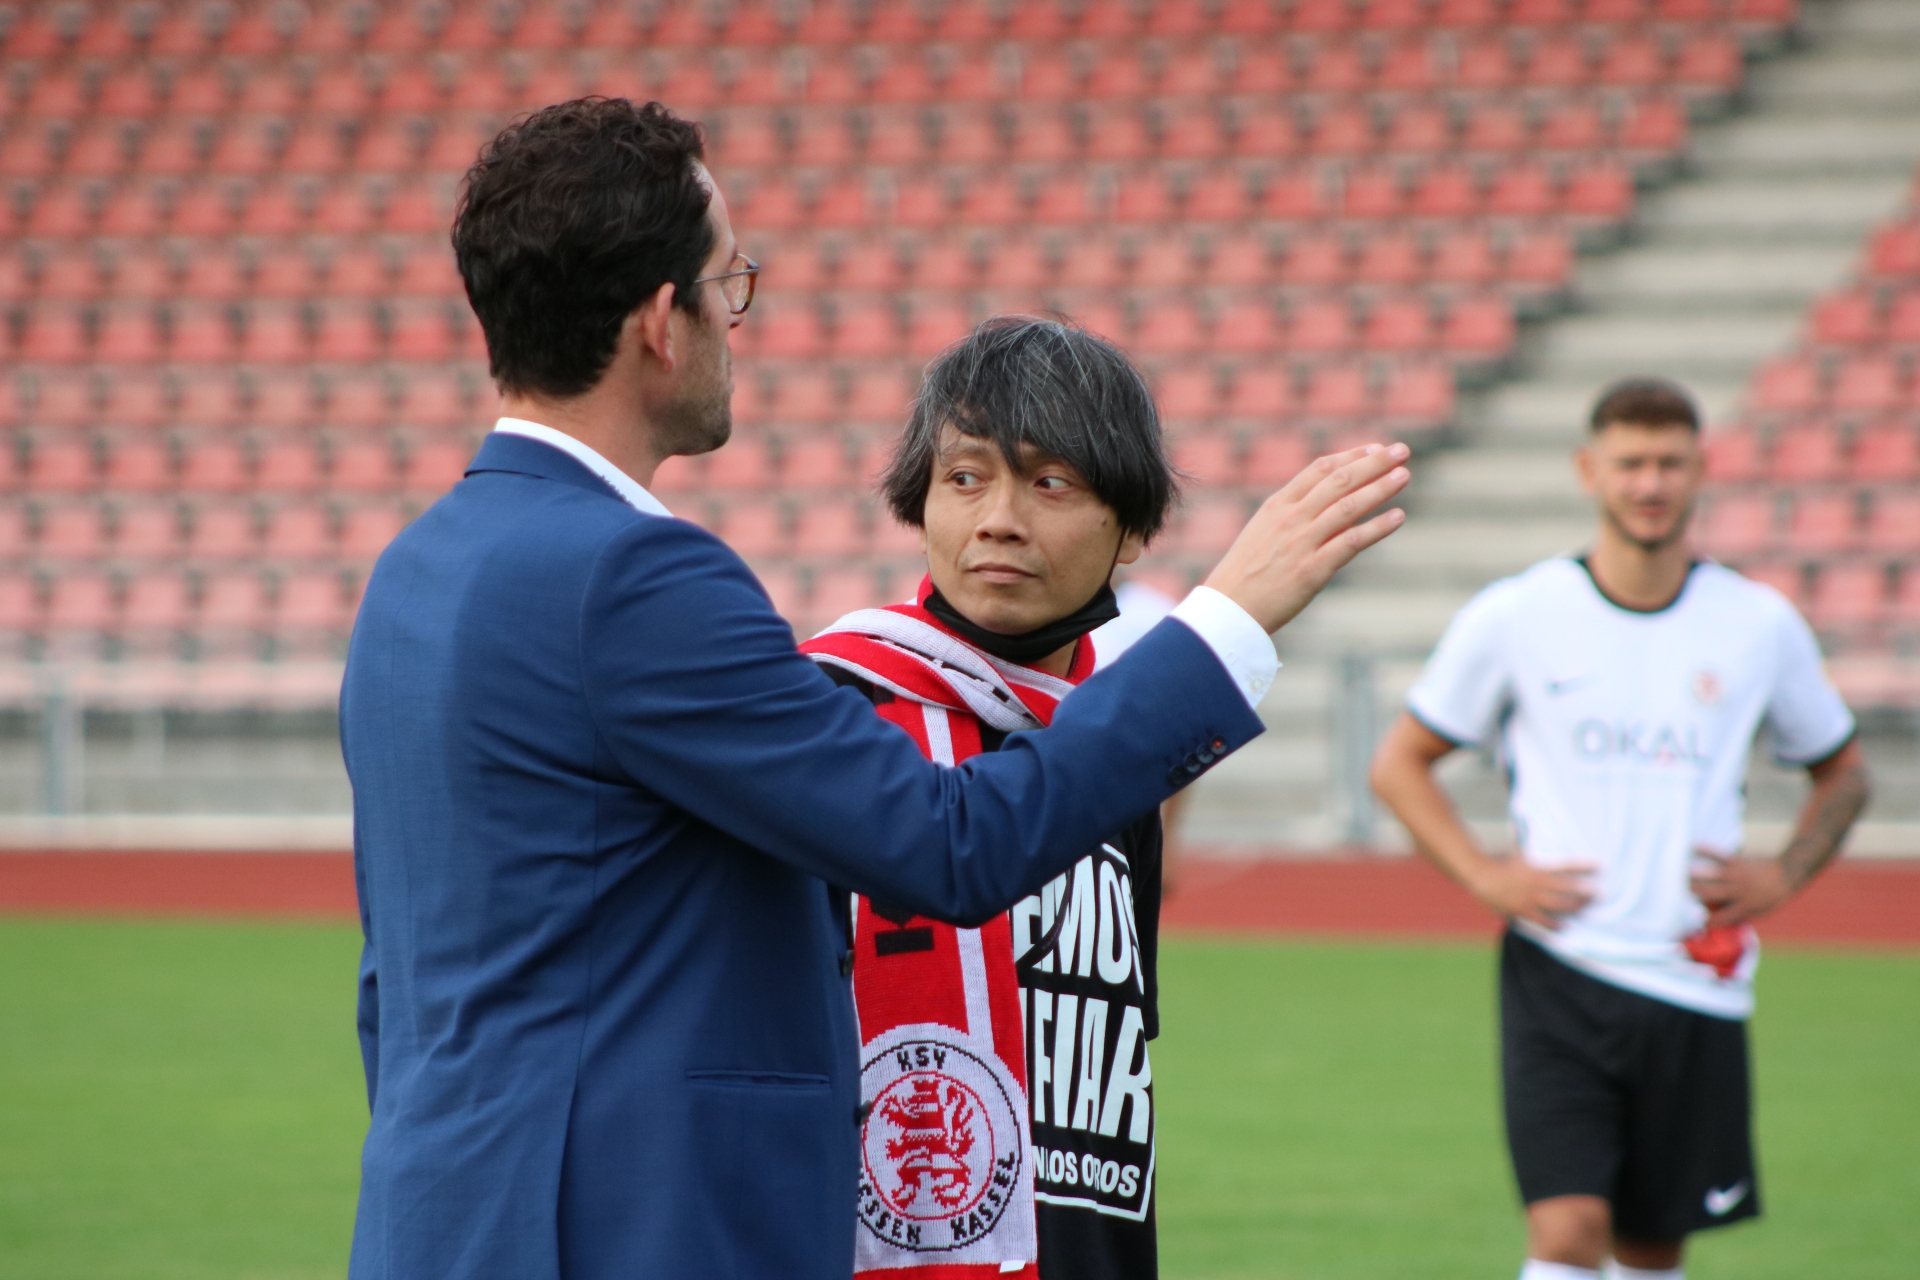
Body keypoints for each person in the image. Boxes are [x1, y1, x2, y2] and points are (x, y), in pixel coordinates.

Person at [341, 98, 1412, 1280]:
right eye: (728, 282)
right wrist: (1225, 621)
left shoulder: (413, 572)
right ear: (660, 323)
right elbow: (947, 844)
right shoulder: (635, 578)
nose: (736, 316)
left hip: (443, 1219)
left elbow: (393, 986)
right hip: (618, 1230)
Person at [1369, 377, 1869, 1280]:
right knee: (1566, 1234)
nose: (1650, 483)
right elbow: (1400, 764)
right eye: (1630, 463)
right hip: (1559, 970)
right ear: (1588, 470)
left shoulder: (1758, 625)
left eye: (1669, 463)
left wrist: (1783, 874)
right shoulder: (1519, 614)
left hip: (1694, 978)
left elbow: (1844, 773)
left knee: (1651, 1248)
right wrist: (1487, 877)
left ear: (1701, 471)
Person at [800, 317, 1181, 1278]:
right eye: (965, 477)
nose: (999, 519)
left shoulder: (1111, 752)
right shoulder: (826, 710)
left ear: (1135, 529)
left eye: (1051, 483)